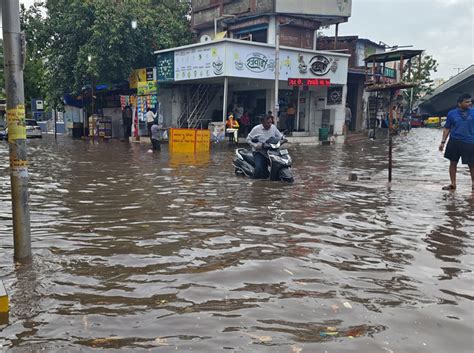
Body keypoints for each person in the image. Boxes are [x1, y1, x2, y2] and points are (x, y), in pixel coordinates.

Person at [439, 93, 474, 191]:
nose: (469, 103)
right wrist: (442, 142)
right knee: (453, 163)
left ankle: (473, 184)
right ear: (459, 103)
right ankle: (453, 184)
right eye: (466, 102)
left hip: (470, 142)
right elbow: (447, 128)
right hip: (454, 141)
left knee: (472, 164)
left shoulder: (473, 112)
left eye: (470, 101)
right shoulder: (451, 113)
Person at [246, 115, 283, 179]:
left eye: (271, 122)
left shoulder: (273, 128)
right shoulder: (256, 129)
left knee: (278, 165)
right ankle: (254, 182)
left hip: (271, 151)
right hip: (259, 152)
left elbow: (280, 136)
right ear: (262, 122)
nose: (269, 124)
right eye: (267, 123)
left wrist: (283, 139)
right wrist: (255, 146)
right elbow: (248, 139)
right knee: (258, 168)